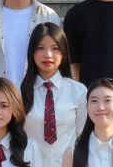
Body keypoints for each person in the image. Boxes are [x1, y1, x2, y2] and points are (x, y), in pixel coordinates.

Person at [19, 22, 80, 153]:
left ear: (63, 52)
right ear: (32, 52)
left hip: (67, 164)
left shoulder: (78, 91)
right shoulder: (18, 90)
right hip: (29, 164)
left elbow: (82, 137)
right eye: (40, 48)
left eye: (55, 48)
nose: (48, 55)